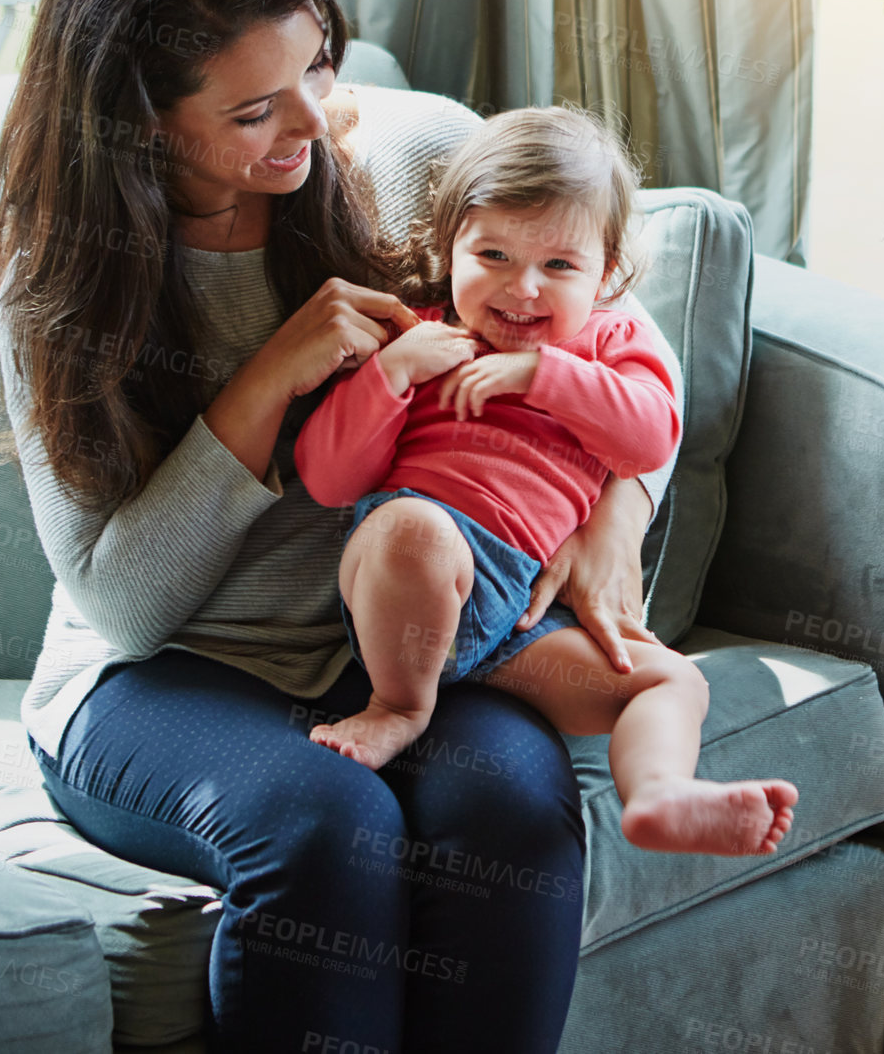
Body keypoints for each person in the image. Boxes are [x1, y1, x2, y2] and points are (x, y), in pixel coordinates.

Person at [0, 0, 686, 1053]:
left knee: (506, 814)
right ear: (143, 121)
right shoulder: (62, 289)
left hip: (392, 641)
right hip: (160, 680)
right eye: (255, 109)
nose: (310, 123)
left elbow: (615, 314)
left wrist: (618, 506)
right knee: (321, 825)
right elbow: (127, 606)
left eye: (315, 67)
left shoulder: (401, 161)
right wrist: (272, 375)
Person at [294, 108, 798, 857]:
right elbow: (328, 479)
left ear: (608, 274)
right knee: (413, 531)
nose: (521, 289)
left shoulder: (611, 346)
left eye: (559, 266)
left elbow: (651, 434)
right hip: (410, 588)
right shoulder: (423, 336)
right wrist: (393, 371)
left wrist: (545, 374)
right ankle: (397, 707)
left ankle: (658, 794)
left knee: (671, 682)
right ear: (450, 246)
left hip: (521, 625)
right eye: (492, 253)